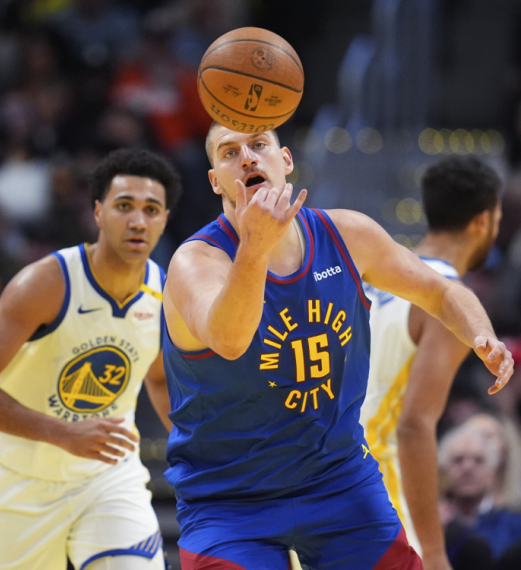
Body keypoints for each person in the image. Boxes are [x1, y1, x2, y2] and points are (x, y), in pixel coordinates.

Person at [161, 122, 514, 570]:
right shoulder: (195, 261)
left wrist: (481, 334)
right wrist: (253, 249)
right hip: (229, 498)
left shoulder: (345, 234)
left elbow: (440, 290)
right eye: (230, 152)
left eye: (258, 145)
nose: (247, 158)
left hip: (337, 479)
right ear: (215, 181)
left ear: (285, 160)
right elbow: (230, 341)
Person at [0, 148, 182, 570]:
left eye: (151, 209)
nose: (138, 220)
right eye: (124, 206)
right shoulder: (46, 283)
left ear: (164, 220)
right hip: (16, 480)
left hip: (108, 477)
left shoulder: (162, 292)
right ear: (98, 212)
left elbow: (158, 379)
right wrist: (61, 432)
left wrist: (199, 454)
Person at [359, 155, 503, 569]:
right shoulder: (451, 302)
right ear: (482, 221)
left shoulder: (377, 276)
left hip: (328, 473)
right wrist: (436, 553)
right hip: (378, 485)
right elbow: (413, 425)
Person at [438, 424, 521, 568]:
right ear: (443, 471)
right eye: (458, 460)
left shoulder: (515, 526)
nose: (467, 468)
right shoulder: (431, 528)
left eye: (479, 460)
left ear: (493, 471)